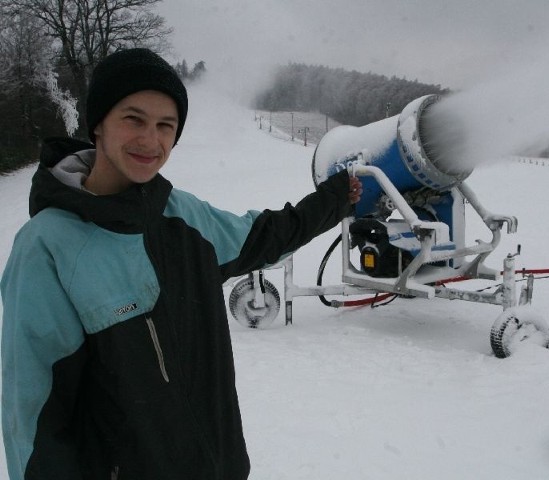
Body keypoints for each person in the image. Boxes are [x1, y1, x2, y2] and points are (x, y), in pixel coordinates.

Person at [1, 48, 362, 480]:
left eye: (165, 126)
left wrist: (334, 200)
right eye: (133, 119)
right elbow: (34, 417)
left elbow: (265, 235)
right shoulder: (47, 247)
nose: (150, 141)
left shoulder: (183, 217)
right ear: (97, 123)